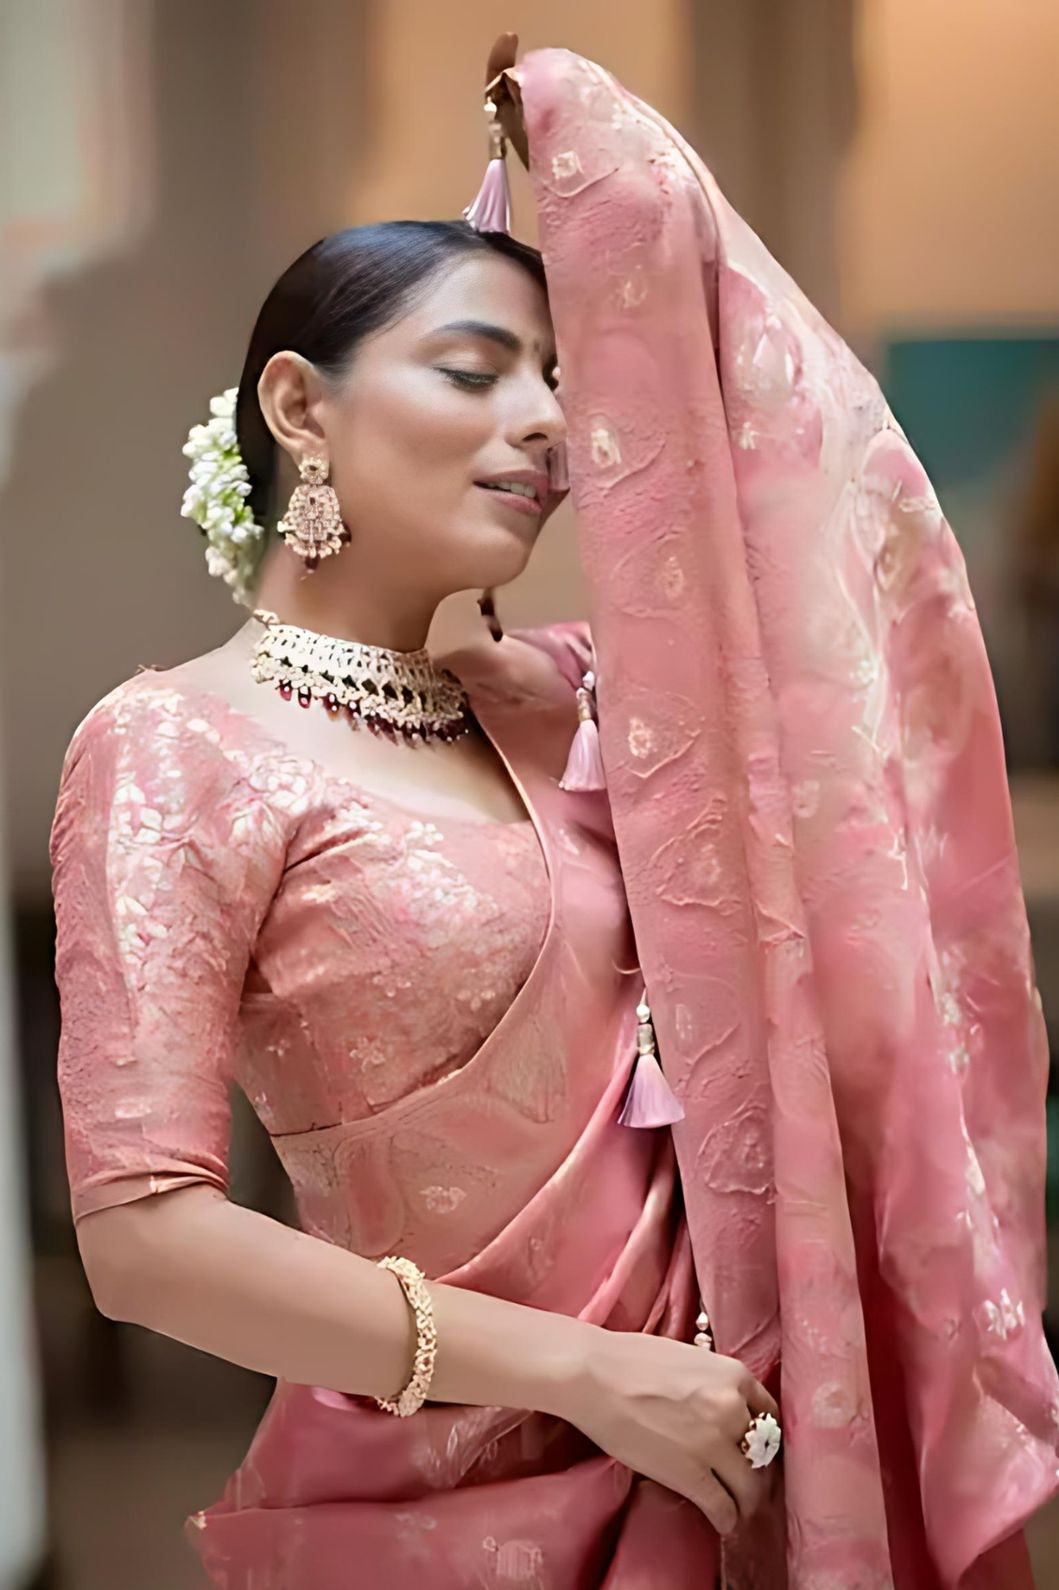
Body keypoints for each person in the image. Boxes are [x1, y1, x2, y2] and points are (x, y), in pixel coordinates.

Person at [48, 34, 1055, 1590]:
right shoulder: (176, 746)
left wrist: (613, 177)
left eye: (562, 383)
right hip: (450, 1505)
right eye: (474, 370)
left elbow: (830, 543)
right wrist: (589, 1374)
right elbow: (143, 1238)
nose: (545, 426)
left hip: (739, 1471)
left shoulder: (596, 707)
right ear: (299, 409)